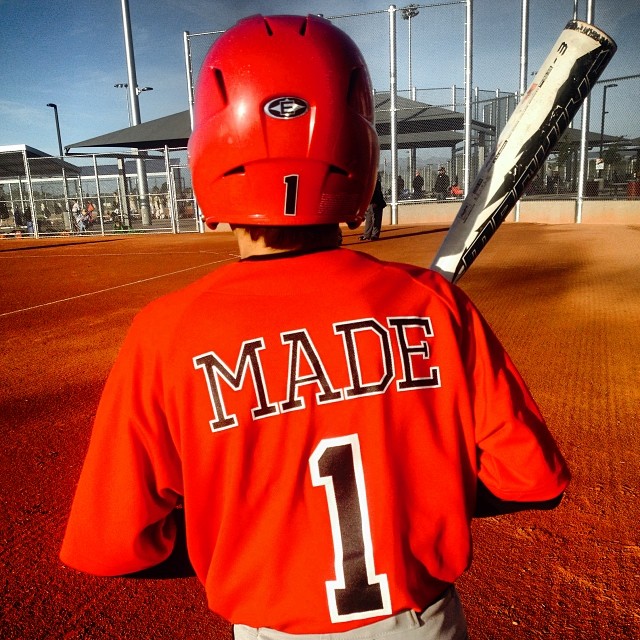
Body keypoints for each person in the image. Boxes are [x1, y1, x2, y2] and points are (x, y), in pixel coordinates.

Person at [60, 14, 570, 640]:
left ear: (211, 155)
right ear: (358, 157)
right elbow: (532, 482)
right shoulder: (432, 305)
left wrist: (241, 534)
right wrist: (419, 489)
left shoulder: (166, 334)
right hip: (420, 623)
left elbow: (113, 547)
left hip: (271, 626)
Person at [360, 173, 386, 241]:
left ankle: (374, 235)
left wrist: (376, 203)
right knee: (369, 219)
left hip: (376, 203)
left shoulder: (376, 183)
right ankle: (367, 235)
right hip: (371, 203)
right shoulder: (370, 182)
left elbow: (377, 194)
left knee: (376, 219)